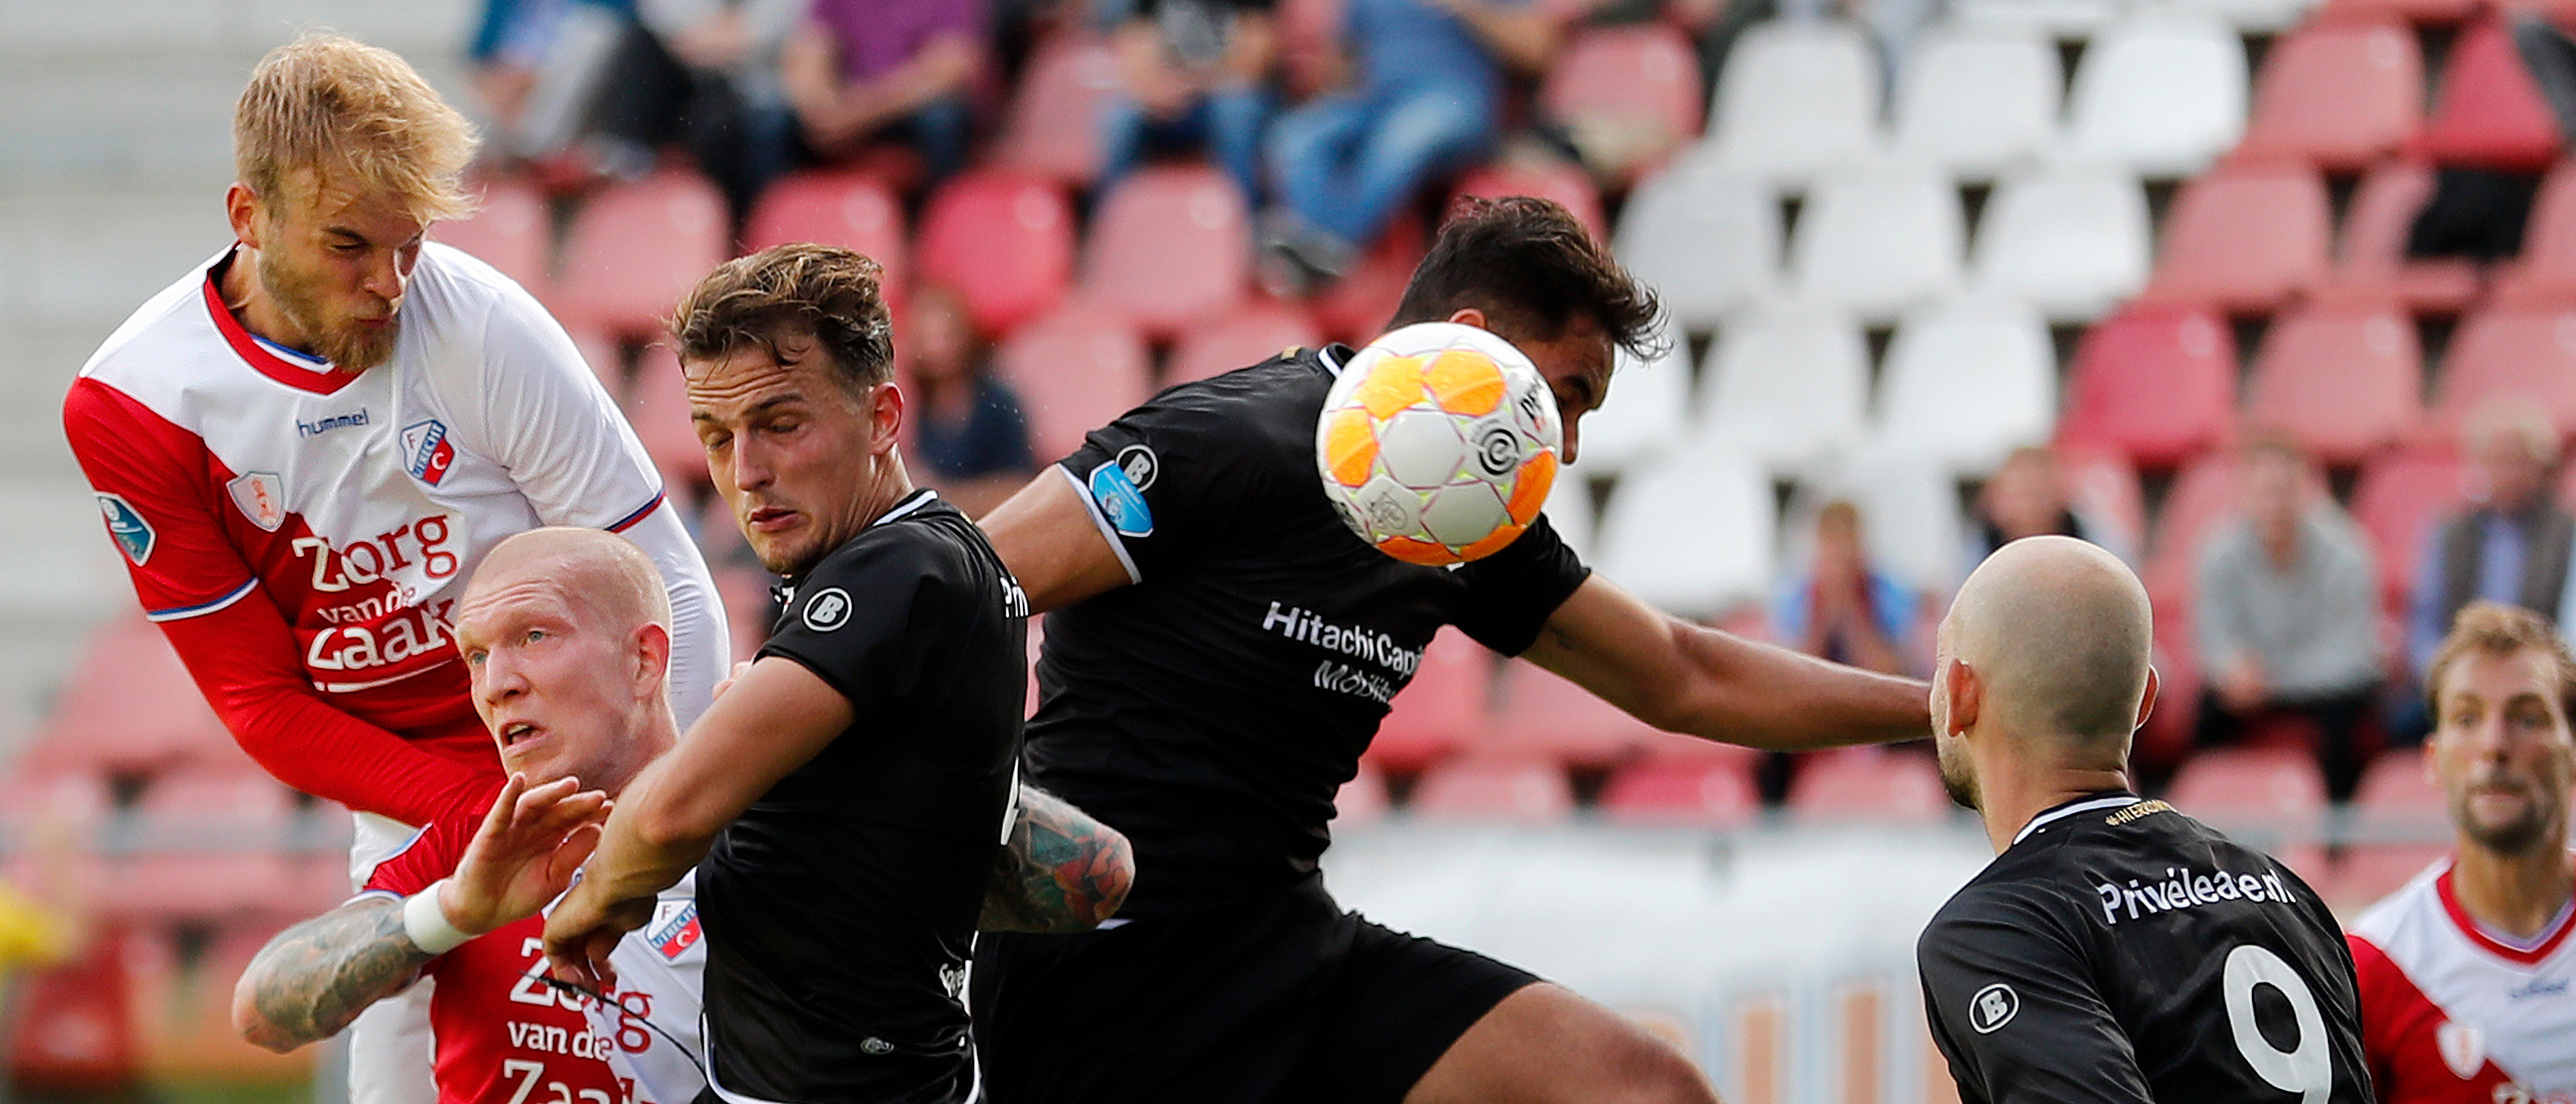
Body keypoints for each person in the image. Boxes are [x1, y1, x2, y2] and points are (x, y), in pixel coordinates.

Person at [967, 195, 1929, 1103]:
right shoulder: (1233, 438)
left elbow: (1685, 673)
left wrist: (1938, 711)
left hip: (1284, 947)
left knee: (1645, 1089)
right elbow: (954, 594)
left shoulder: (1466, 527)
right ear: (1471, 351)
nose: (1574, 448)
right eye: (1566, 398)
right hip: (1097, 962)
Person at [58, 33, 729, 1104]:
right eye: (348, 246)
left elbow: (672, 588)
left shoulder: (480, 324)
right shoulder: (134, 405)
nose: (390, 283)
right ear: (248, 217)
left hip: (603, 785)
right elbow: (261, 703)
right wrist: (484, 820)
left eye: (410, 244)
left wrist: (654, 811)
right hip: (414, 807)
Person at [233, 527, 1132, 1103]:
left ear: (644, 661)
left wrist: (860, 769)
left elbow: (1091, 882)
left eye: (533, 636)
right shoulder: (479, 846)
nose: (494, 682)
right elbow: (265, 1014)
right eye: (474, 656)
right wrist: (451, 917)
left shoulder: (778, 815)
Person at [543, 244, 1058, 1104]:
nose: (745, 474)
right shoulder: (886, 569)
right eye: (716, 438)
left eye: (781, 424)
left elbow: (670, 817)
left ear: (884, 417)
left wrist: (595, 898)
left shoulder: (901, 572)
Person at [1915, 535, 2370, 1103]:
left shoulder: (1997, 929)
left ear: (1959, 694)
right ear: (2145, 701)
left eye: (1937, 668)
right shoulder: (2286, 891)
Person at [2347, 600, 2576, 1102]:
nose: (2494, 745)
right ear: (2433, 760)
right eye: (2468, 718)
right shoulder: (2377, 963)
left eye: (2527, 718)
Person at [1257, 0, 1563, 292]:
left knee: (1400, 140)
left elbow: (1538, 51)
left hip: (1455, 100)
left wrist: (1470, 8)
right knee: (1295, 137)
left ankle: (1327, 246)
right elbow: (1343, 57)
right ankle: (1316, 249)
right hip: (1376, 99)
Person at [2192, 436, 2384, 803]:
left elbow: (2349, 653)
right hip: (2250, 683)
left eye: (2284, 491)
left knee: (2352, 715)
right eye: (2264, 492)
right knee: (2206, 714)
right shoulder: (2217, 551)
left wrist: (2270, 680)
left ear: (2308, 491)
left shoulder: (2348, 553)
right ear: (2244, 493)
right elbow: (2212, 635)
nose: (2274, 505)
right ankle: (2204, 810)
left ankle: (2341, 824)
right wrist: (2230, 667)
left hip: (2322, 687)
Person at [2409, 399, 2574, 703]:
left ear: (2542, 469)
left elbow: (2570, 629)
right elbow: (2426, 623)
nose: (2508, 473)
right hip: (2460, 674)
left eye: (2519, 462)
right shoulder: (2449, 531)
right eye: (2497, 461)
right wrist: (2446, 676)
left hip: (2540, 680)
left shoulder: (2566, 532)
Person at [781, 0, 984, 191]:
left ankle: (938, 220)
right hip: (845, 110)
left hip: (903, 110)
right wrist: (821, 108)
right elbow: (810, 49)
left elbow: (948, 67)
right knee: (770, 120)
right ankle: (781, 218)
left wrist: (861, 112)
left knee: (942, 119)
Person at [1097, 0, 1277, 211]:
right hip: (1166, 103)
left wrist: (1196, 84)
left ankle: (1245, 223)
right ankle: (1112, 223)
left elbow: (1253, 61)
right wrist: (1155, 91)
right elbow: (1134, 44)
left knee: (1236, 112)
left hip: (1222, 98)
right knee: (1119, 118)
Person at [904, 283, 1034, 518]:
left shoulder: (997, 401)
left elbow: (1018, 487)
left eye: (943, 336)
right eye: (926, 337)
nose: (935, 348)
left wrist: (943, 495)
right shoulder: (920, 403)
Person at [1963, 444, 2135, 570]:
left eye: (2036, 494)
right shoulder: (1971, 554)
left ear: (2061, 496)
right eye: (2019, 494)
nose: (2028, 507)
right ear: (1995, 501)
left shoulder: (2101, 546)